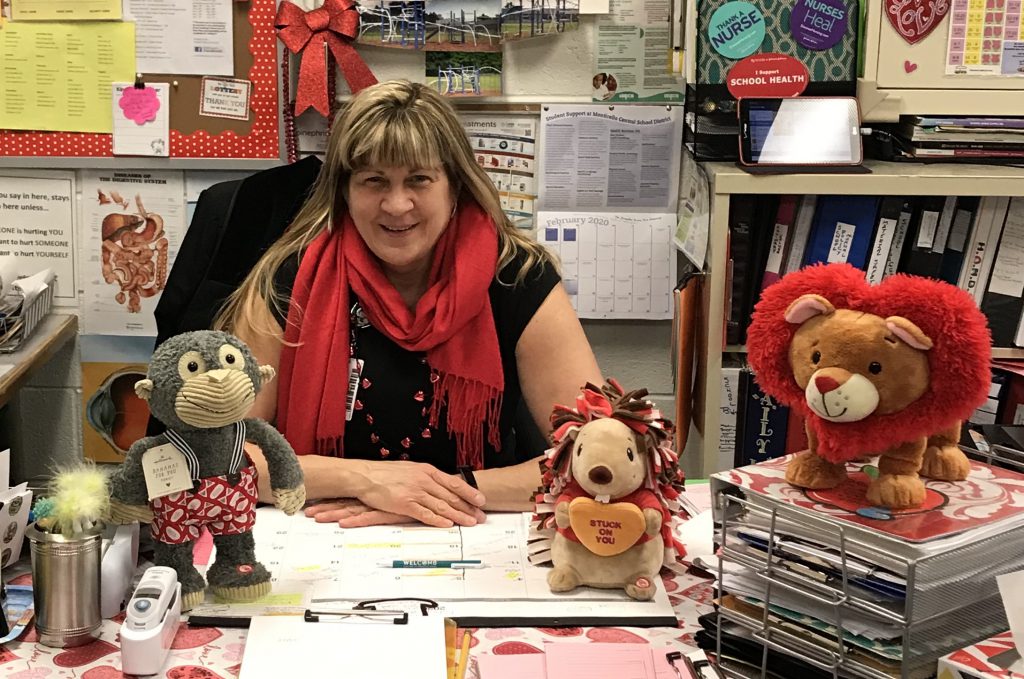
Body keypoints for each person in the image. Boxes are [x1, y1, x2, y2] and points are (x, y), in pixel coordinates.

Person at [217, 80, 602, 530]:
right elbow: (217, 454)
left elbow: (601, 452)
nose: (397, 204)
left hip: (477, 536)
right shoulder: (290, 279)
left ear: (454, 185)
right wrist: (366, 479)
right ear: (344, 190)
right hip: (322, 535)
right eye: (373, 180)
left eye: (419, 179)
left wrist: (431, 492)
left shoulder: (515, 275)